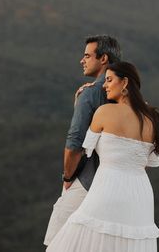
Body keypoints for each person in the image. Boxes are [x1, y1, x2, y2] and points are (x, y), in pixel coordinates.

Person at [46, 61, 159, 252]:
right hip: (140, 195)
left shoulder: (104, 112)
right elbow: (146, 163)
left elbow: (85, 148)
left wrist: (80, 103)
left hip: (107, 188)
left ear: (124, 82)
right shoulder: (153, 118)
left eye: (109, 80)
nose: (104, 85)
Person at [44, 35, 121, 246]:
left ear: (103, 58)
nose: (81, 60)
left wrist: (67, 177)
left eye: (87, 55)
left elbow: (74, 143)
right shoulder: (128, 95)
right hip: (118, 186)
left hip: (87, 179)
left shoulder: (90, 93)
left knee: (58, 241)